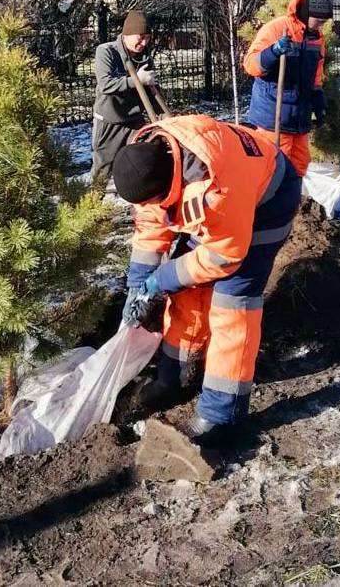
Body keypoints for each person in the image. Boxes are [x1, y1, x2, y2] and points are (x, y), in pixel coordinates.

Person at [114, 114, 302, 445]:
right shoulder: (145, 158)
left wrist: (162, 279)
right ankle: (174, 377)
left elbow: (223, 257)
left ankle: (222, 413)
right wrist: (139, 284)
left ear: (169, 186)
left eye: (156, 201)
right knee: (186, 293)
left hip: (267, 202)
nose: (152, 208)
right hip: (219, 205)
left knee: (232, 303)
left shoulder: (214, 185)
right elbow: (149, 223)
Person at [242, 0, 332, 176]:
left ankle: (291, 204)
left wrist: (318, 101)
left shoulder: (317, 39)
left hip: (299, 117)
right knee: (273, 169)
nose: (320, 26)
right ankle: (271, 205)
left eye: (324, 22)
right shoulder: (277, 28)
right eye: (318, 21)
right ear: (308, 14)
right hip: (273, 115)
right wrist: (273, 52)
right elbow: (250, 65)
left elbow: (315, 76)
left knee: (299, 165)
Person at [91, 10, 157, 182]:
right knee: (102, 172)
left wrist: (164, 120)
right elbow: (106, 84)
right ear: (127, 34)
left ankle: (141, 203)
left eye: (147, 37)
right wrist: (136, 80)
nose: (144, 42)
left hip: (134, 122)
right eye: (140, 37)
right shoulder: (106, 52)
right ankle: (94, 206)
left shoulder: (145, 58)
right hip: (110, 121)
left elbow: (151, 92)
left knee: (144, 165)